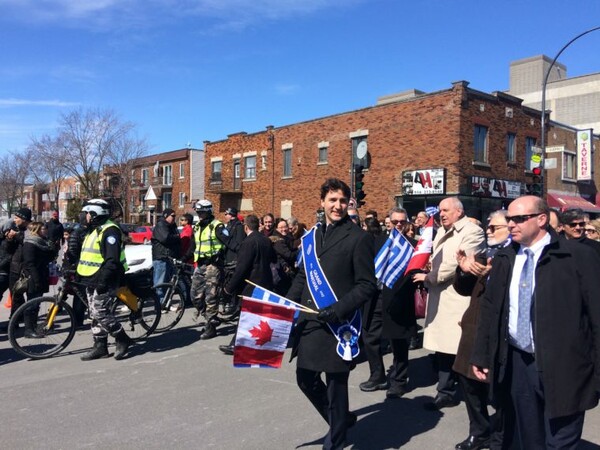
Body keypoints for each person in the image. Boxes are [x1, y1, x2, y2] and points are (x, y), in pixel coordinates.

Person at [471, 196, 600, 449]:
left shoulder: (576, 256)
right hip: (520, 364)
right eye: (509, 219)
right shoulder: (505, 258)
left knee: (561, 442)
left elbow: (596, 316)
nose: (511, 225)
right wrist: (482, 354)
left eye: (519, 219)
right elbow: (490, 310)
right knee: (531, 440)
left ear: (542, 219)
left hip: (567, 367)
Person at [286, 178, 378, 450]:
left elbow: (366, 285)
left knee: (336, 386)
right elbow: (303, 276)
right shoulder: (312, 237)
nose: (337, 206)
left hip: (340, 325)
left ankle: (336, 440)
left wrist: (338, 310)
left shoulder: (359, 238)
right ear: (322, 202)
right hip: (311, 322)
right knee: (305, 378)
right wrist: (287, 303)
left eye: (342, 201)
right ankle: (339, 420)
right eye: (332, 200)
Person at [413, 197, 485, 410]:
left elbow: (456, 264)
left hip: (456, 297)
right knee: (444, 350)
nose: (441, 214)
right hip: (441, 297)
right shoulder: (443, 230)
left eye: (446, 210)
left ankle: (461, 391)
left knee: (458, 348)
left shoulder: (472, 231)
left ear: (459, 212)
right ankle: (445, 391)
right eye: (440, 211)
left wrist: (429, 277)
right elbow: (439, 259)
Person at [452, 210, 512, 450]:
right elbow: (463, 289)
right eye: (488, 226)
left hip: (499, 333)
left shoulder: (514, 257)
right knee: (469, 384)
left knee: (498, 391)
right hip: (473, 328)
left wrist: (493, 276)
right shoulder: (483, 254)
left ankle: (501, 436)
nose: (488, 231)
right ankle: (479, 431)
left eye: (494, 227)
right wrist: (464, 271)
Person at [77, 199, 132, 361]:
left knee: (100, 312)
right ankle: (100, 346)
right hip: (91, 278)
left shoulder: (110, 231)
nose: (83, 216)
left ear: (95, 214)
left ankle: (122, 338)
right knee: (94, 314)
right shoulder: (94, 230)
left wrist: (103, 281)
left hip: (106, 279)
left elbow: (112, 260)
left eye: (86, 213)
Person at [218, 214, 277, 355]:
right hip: (265, 282)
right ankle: (255, 343)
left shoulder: (248, 242)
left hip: (252, 284)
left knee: (247, 315)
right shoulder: (265, 240)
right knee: (257, 316)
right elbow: (273, 259)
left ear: (246, 227)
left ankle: (236, 345)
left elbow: (242, 268)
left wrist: (228, 288)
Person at [379, 207, 420, 399]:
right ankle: (378, 375)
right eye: (395, 222)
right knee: (380, 341)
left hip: (403, 300)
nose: (398, 225)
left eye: (402, 222)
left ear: (407, 223)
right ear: (389, 221)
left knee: (400, 344)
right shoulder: (380, 242)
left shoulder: (414, 246)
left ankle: (399, 382)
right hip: (381, 299)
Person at [185, 199, 225, 340]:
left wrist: (222, 256)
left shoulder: (217, 226)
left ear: (208, 212)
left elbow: (229, 242)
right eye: (198, 212)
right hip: (200, 265)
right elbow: (193, 246)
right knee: (194, 295)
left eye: (202, 212)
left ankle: (211, 326)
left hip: (213, 266)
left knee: (211, 297)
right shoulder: (196, 227)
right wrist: (183, 259)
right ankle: (210, 317)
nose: (200, 215)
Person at [21, 222, 56, 338]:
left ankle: (34, 326)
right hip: (33, 277)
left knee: (36, 304)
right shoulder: (30, 243)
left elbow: (51, 257)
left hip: (42, 275)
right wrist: (36, 279)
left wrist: (52, 245)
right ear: (36, 230)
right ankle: (28, 329)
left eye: (45, 228)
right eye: (43, 229)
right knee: (31, 304)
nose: (45, 230)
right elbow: (29, 263)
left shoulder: (43, 242)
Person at [215, 207, 246, 315]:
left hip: (234, 260)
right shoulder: (229, 225)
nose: (225, 216)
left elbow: (237, 245)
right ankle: (227, 303)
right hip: (227, 259)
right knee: (226, 282)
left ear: (231, 215)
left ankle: (234, 305)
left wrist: (224, 238)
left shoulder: (238, 227)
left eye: (226, 214)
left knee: (232, 284)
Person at [151, 208, 181, 305]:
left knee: (168, 282)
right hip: (161, 257)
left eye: (175, 216)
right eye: (172, 216)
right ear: (165, 215)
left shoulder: (171, 226)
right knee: (160, 282)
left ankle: (165, 302)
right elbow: (165, 238)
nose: (174, 218)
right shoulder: (161, 225)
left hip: (169, 258)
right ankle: (160, 304)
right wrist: (177, 237)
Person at [8, 208, 32, 323]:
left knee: (29, 297)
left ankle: (25, 322)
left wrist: (16, 236)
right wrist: (9, 238)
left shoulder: (31, 229)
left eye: (17, 218)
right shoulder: (15, 229)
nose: (14, 220)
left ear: (24, 219)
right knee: (15, 295)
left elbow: (28, 241)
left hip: (26, 269)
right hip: (14, 267)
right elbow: (10, 250)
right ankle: (15, 320)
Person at [269, 218, 298, 295]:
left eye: (285, 226)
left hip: (284, 272)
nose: (284, 229)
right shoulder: (277, 240)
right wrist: (299, 249)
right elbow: (289, 255)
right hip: (282, 273)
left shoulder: (286, 238)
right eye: (281, 227)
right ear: (276, 228)